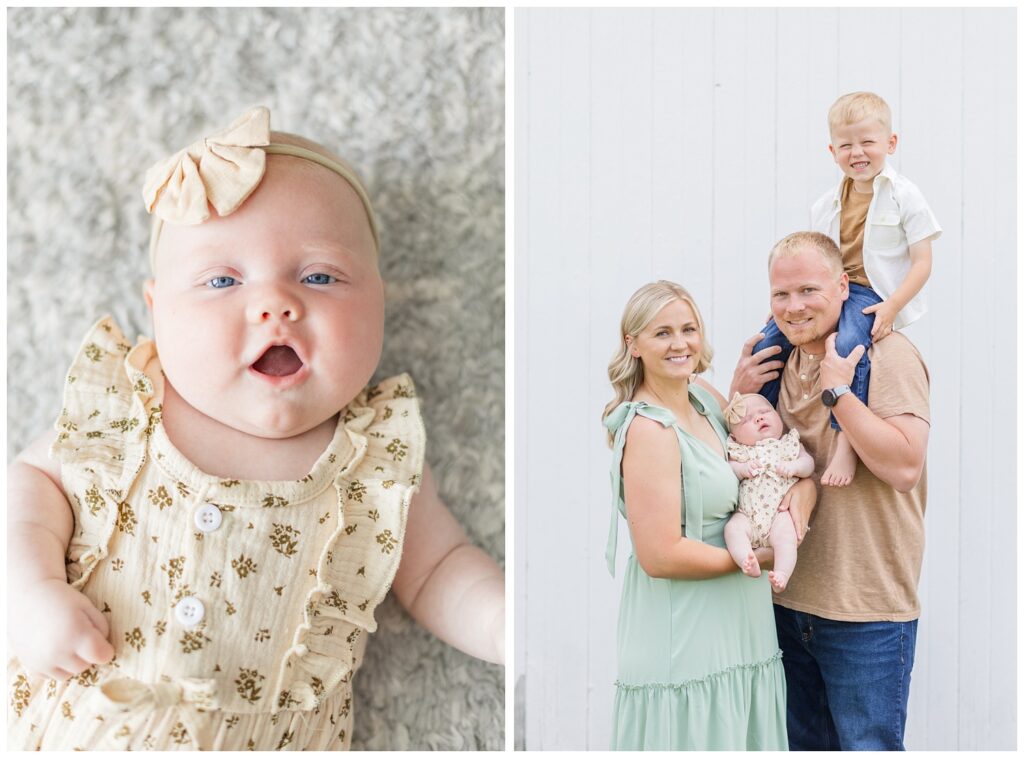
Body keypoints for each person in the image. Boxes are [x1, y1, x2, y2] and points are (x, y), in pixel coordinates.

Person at [7, 107, 505, 751]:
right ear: (157, 312)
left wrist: (504, 624)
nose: (275, 305)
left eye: (320, 276)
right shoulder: (128, 411)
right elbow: (30, 484)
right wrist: (26, 593)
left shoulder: (375, 458)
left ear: (379, 301)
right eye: (222, 280)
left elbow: (438, 568)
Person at [731, 231, 930, 750]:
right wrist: (738, 394)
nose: (793, 308)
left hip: (864, 613)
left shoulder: (887, 356)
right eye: (781, 295)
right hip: (784, 603)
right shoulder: (776, 365)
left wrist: (840, 392)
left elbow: (905, 466)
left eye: (808, 291)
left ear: (844, 286)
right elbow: (735, 463)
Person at [602, 280, 816, 751]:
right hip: (688, 632)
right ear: (632, 344)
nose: (680, 343)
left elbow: (766, 460)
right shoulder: (649, 430)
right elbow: (659, 555)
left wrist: (802, 497)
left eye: (688, 329)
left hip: (742, 627)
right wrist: (757, 557)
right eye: (662, 333)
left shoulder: (701, 395)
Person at [752, 91, 940, 488]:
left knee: (849, 344)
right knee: (764, 346)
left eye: (868, 142)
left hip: (873, 293)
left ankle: (844, 440)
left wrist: (892, 307)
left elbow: (922, 264)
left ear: (890, 144)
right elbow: (817, 258)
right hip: (837, 289)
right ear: (832, 149)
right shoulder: (826, 204)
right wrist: (787, 306)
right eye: (846, 144)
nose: (858, 152)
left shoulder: (905, 197)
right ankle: (757, 430)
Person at [722, 393, 815, 593]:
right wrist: (741, 469)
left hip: (779, 515)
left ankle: (782, 573)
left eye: (764, 412)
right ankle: (747, 559)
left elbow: (809, 464)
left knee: (787, 539)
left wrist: (796, 467)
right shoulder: (740, 451)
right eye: (747, 419)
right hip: (747, 513)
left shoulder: (788, 444)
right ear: (734, 436)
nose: (759, 418)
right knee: (733, 529)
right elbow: (728, 468)